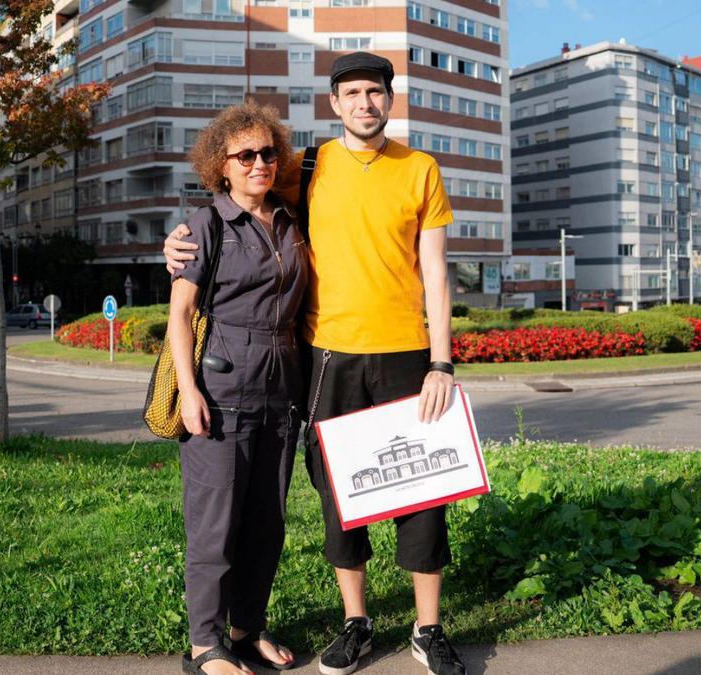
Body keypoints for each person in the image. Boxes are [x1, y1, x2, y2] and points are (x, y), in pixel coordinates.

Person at [166, 53, 466, 675]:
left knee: (425, 491)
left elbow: (437, 272)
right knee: (340, 495)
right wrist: (173, 243)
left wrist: (443, 362)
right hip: (326, 357)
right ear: (334, 104)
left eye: (375, 92)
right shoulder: (307, 166)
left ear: (389, 98)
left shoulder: (421, 168)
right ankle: (353, 624)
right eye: (351, 93)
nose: (364, 103)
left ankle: (427, 629)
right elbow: (230, 197)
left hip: (405, 355)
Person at [168, 100, 306, 675]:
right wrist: (188, 390)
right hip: (221, 390)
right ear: (219, 166)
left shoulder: (292, 218)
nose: (259, 163)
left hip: (283, 389)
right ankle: (205, 645)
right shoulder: (204, 225)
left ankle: (247, 629)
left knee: (266, 521)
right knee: (215, 522)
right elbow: (181, 315)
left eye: (268, 153)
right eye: (244, 155)